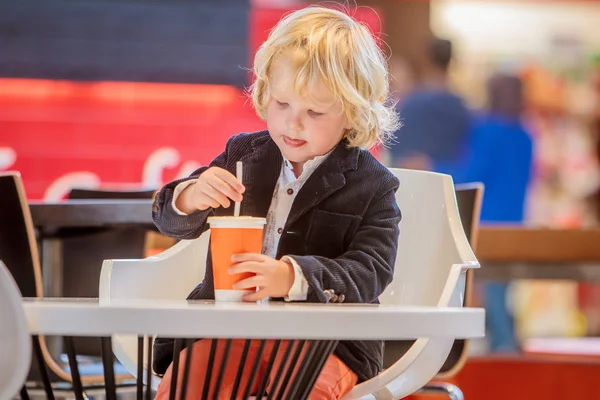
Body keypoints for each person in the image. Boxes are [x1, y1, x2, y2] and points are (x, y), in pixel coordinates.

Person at [150, 6, 402, 399]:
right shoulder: (243, 155)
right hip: (226, 332)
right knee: (184, 388)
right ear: (266, 93)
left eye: (314, 112)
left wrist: (293, 277)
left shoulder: (373, 184)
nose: (292, 123)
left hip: (324, 344)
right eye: (282, 104)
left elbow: (371, 272)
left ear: (352, 114)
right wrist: (190, 195)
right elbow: (169, 221)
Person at [463, 73, 533, 352]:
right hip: (515, 220)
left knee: (490, 291)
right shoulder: (526, 135)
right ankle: (506, 344)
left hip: (486, 219)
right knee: (502, 291)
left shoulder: (486, 130)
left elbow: (473, 174)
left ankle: (505, 349)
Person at [388, 37, 471, 180]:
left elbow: (394, 145)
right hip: (450, 182)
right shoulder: (461, 106)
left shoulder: (412, 102)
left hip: (414, 181)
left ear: (426, 60)